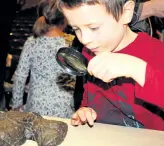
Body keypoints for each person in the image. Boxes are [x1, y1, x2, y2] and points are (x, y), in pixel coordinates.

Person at [57, 0, 164, 130]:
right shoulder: (90, 52)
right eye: (76, 29)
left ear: (126, 12)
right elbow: (91, 94)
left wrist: (136, 68)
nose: (84, 39)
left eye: (94, 28)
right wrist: (85, 110)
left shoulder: (157, 52)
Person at [11, 0, 75, 118]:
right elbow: (71, 80)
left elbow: (20, 76)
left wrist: (16, 104)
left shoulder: (32, 42)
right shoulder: (70, 42)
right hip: (63, 107)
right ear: (64, 18)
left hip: (36, 106)